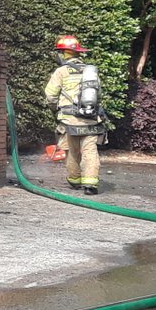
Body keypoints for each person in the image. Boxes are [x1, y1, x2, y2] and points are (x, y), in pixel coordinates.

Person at [43, 35, 106, 194]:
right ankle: (91, 185)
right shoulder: (90, 71)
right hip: (91, 119)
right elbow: (98, 94)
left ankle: (75, 180)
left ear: (63, 54)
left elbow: (50, 95)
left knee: (71, 151)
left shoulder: (61, 72)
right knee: (90, 151)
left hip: (69, 120)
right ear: (78, 53)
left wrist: (54, 110)